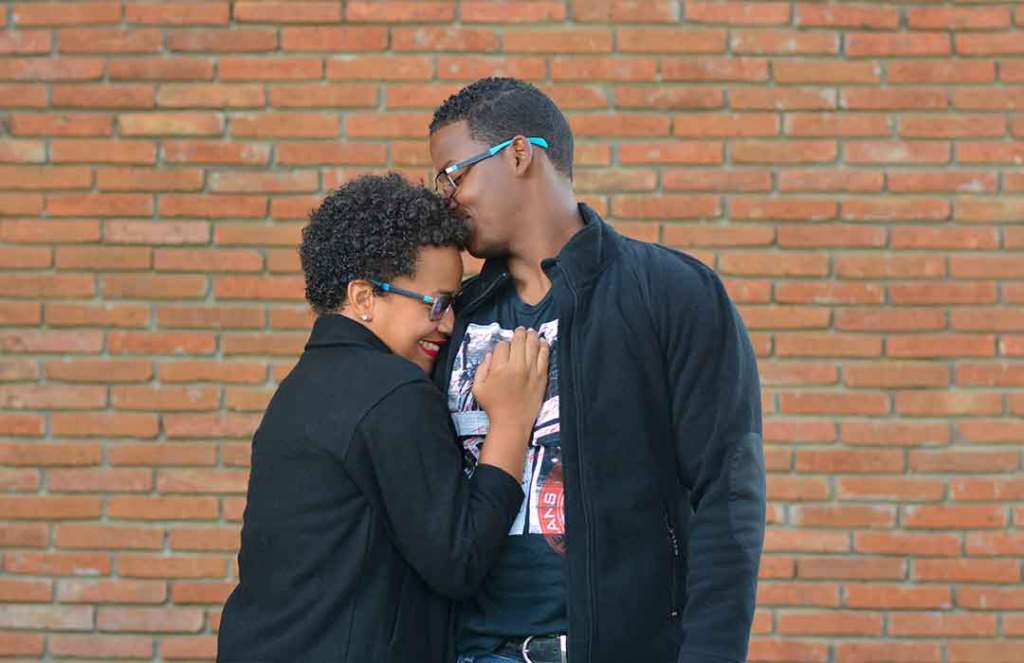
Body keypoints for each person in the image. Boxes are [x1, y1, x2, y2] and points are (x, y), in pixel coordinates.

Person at [427, 78, 766, 663]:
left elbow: (727, 498)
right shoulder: (454, 319)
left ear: (517, 153)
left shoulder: (669, 293)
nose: (446, 199)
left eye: (454, 175)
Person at [217, 173, 550, 663]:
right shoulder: (394, 392)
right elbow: (459, 560)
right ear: (364, 298)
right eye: (437, 303)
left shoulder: (302, 388)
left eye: (454, 304)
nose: (451, 323)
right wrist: (511, 422)